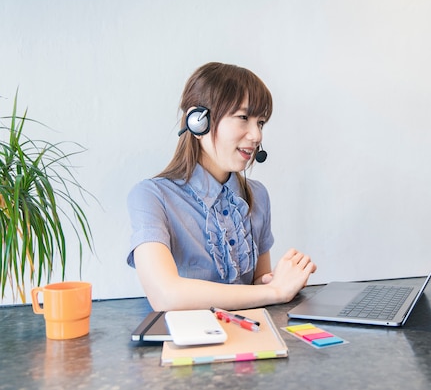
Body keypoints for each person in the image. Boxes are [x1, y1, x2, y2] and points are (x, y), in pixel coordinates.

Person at [126, 62, 316, 311]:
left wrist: (274, 281)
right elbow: (165, 295)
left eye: (260, 122)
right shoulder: (150, 196)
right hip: (188, 344)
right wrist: (274, 291)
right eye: (243, 118)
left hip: (252, 336)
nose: (256, 135)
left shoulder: (257, 195)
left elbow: (257, 284)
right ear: (198, 122)